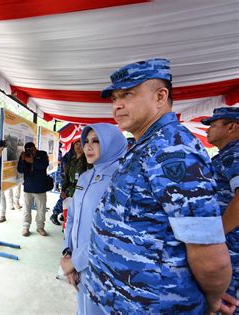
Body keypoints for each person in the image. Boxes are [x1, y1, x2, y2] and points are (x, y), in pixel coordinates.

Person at [85, 58, 235, 314]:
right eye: (114, 98)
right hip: (121, 299)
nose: (117, 105)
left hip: (154, 305)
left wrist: (212, 299)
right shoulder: (146, 145)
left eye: (128, 94)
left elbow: (209, 254)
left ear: (160, 96)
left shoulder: (174, 150)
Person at [60, 123, 126, 315]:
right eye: (86, 141)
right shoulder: (85, 176)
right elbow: (72, 217)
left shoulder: (121, 180)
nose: (88, 146)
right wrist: (67, 252)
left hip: (102, 268)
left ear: (112, 144)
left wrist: (75, 262)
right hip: (78, 264)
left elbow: (111, 233)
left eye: (96, 141)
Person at [203, 107, 239, 307]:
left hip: (231, 252)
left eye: (213, 125)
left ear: (231, 127)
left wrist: (215, 235)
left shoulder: (234, 154)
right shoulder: (226, 155)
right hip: (227, 250)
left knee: (225, 305)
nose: (208, 130)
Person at [17, 142, 49, 236]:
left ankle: (40, 227)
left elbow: (43, 165)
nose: (31, 151)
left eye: (32, 148)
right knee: (26, 208)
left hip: (40, 187)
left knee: (41, 209)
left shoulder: (42, 154)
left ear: (35, 147)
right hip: (28, 186)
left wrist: (32, 161)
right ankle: (25, 227)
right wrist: (23, 160)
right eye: (28, 149)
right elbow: (20, 169)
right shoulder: (24, 156)